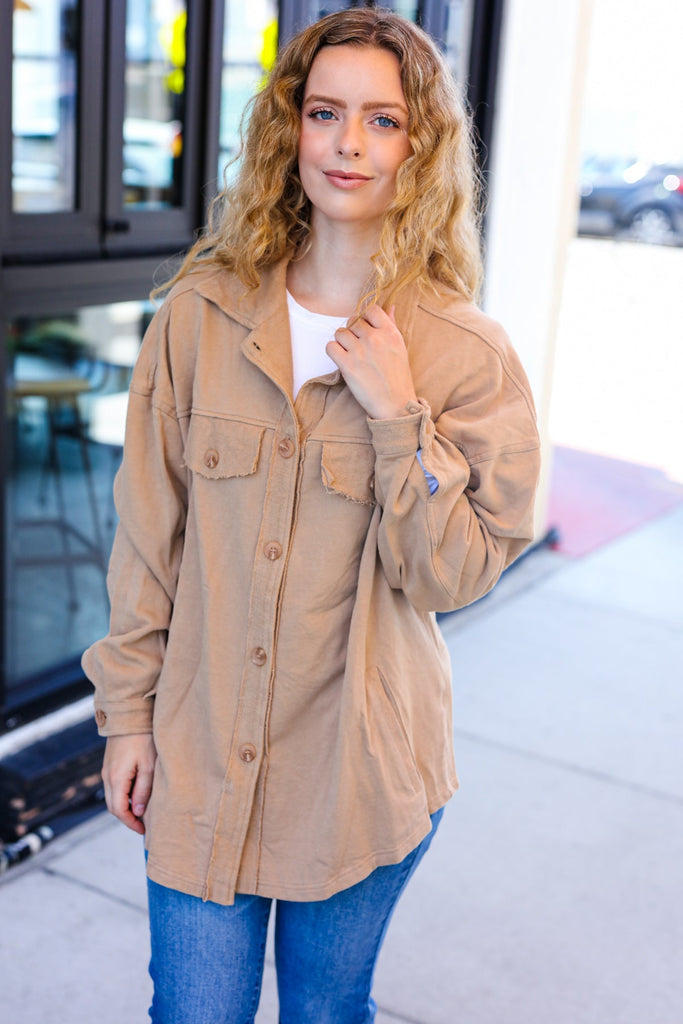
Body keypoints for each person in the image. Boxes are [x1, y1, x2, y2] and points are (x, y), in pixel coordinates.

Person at [82, 8, 541, 1023]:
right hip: (201, 753)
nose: (346, 143)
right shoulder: (199, 318)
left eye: (381, 120)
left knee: (325, 1012)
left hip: (359, 776)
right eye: (324, 112)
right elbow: (146, 546)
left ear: (418, 147)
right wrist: (126, 721)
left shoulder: (466, 354)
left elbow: (452, 576)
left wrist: (396, 419)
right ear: (287, 129)